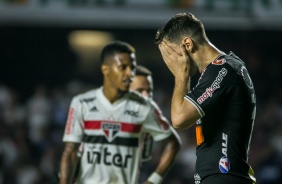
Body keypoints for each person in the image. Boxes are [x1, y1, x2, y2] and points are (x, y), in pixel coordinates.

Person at [59, 41, 181, 184]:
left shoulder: (144, 106)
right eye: (123, 67)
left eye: (132, 68)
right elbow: (70, 152)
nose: (130, 73)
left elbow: (172, 143)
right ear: (105, 69)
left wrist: (154, 180)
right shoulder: (82, 103)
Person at [155, 13, 256, 184]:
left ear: (187, 44)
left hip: (223, 176)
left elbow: (179, 118)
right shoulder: (226, 66)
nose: (170, 62)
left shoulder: (222, 70)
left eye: (171, 54)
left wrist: (181, 76)